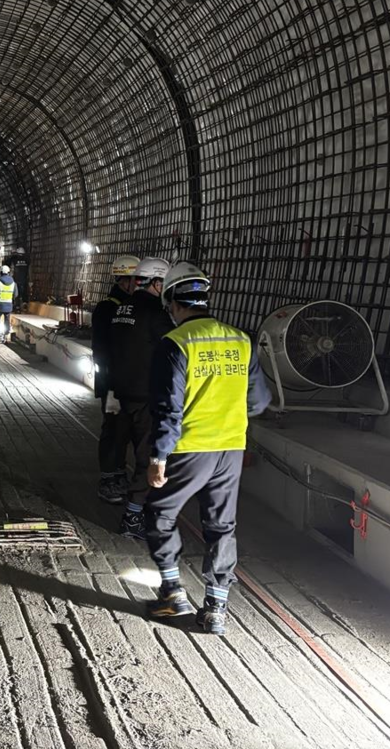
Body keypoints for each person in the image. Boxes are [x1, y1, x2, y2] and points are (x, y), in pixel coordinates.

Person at [142, 262, 271, 635]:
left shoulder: (175, 343)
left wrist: (158, 457)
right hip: (230, 448)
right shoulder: (240, 339)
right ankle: (216, 607)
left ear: (172, 303)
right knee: (221, 526)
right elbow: (259, 402)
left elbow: (169, 407)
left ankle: (172, 592)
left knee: (160, 515)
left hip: (188, 448)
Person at [106, 257, 174, 538]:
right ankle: (133, 517)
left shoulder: (122, 310)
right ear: (157, 283)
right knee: (149, 458)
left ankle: (140, 509)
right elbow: (173, 349)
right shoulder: (156, 315)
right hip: (147, 395)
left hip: (124, 393)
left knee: (130, 449)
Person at [89, 253, 141, 503]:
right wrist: (111, 380)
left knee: (128, 429)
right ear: (124, 281)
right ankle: (109, 478)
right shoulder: (107, 308)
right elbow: (101, 349)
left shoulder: (135, 308)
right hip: (113, 386)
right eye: (136, 280)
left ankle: (120, 474)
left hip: (129, 384)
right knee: (114, 428)